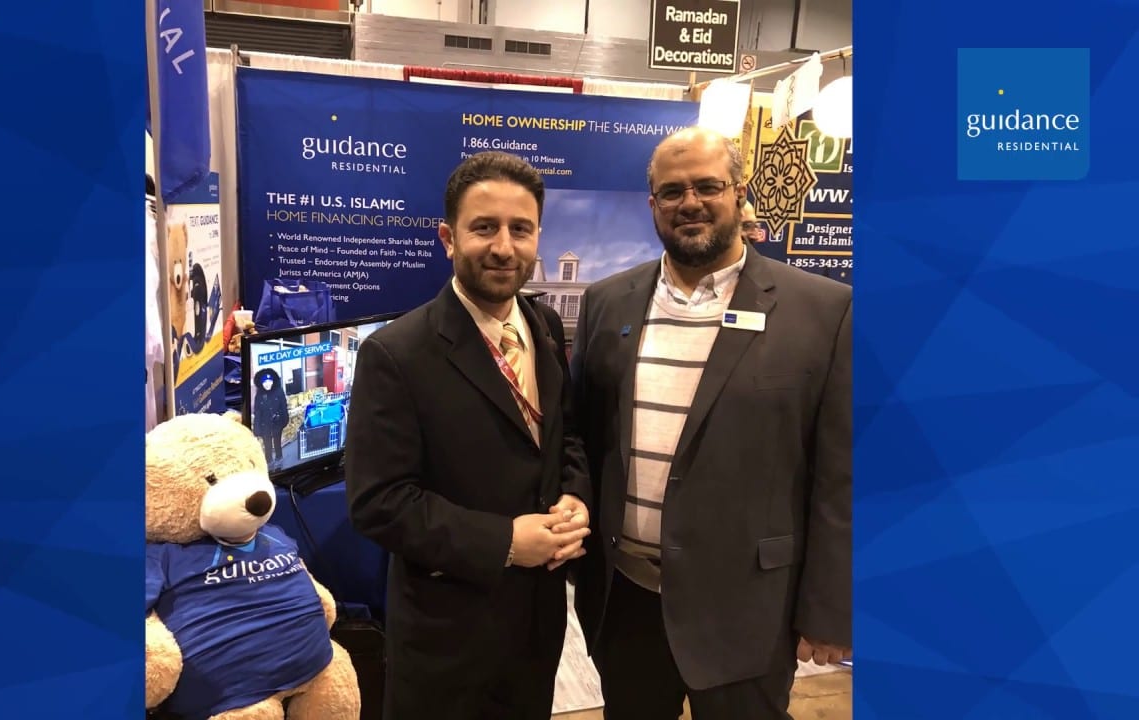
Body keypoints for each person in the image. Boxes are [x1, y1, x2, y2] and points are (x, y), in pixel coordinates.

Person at [569, 126, 851, 719]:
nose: (689, 203)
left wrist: (829, 609)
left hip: (748, 609)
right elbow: (586, 441)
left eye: (706, 186)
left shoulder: (824, 311)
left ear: (739, 193)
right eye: (671, 192)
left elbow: (840, 477)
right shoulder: (607, 302)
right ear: (652, 205)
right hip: (627, 602)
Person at [345, 151, 592, 719]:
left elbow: (565, 433)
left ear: (537, 239)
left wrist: (575, 494)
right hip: (448, 637)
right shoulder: (396, 353)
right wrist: (504, 540)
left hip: (537, 622)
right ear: (448, 238)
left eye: (520, 229)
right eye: (484, 228)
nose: (504, 246)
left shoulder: (544, 325)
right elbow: (378, 503)